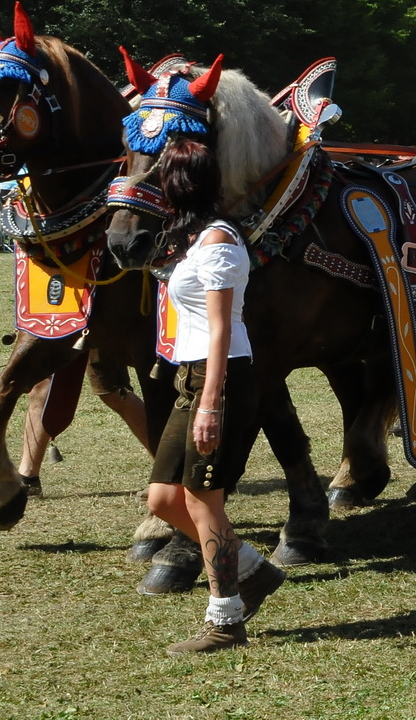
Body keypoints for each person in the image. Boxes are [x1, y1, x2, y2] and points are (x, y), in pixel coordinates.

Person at [143, 136, 283, 654]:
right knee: (163, 499)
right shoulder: (196, 238)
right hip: (193, 375)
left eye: (161, 178)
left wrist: (210, 403)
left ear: (178, 184)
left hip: (218, 377)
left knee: (204, 503)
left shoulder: (220, 242)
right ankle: (252, 570)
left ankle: (225, 618)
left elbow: (222, 329)